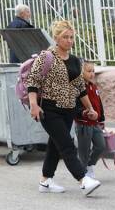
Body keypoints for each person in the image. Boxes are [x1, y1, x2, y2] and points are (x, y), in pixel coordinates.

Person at [26, 20, 102, 197]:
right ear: (56, 38)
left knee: (55, 145)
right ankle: (83, 180)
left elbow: (80, 88)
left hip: (68, 111)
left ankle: (45, 181)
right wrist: (33, 105)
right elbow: (33, 81)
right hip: (49, 110)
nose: (69, 40)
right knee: (67, 146)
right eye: (65, 37)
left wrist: (90, 109)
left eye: (71, 37)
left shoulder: (75, 61)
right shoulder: (47, 57)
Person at [73, 61, 107, 179]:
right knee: (84, 151)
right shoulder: (78, 87)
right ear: (81, 72)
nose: (92, 74)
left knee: (101, 145)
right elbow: (74, 106)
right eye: (89, 71)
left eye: (93, 71)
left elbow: (99, 103)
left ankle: (89, 165)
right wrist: (83, 113)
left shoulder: (93, 86)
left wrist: (101, 119)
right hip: (83, 124)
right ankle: (83, 175)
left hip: (95, 123)